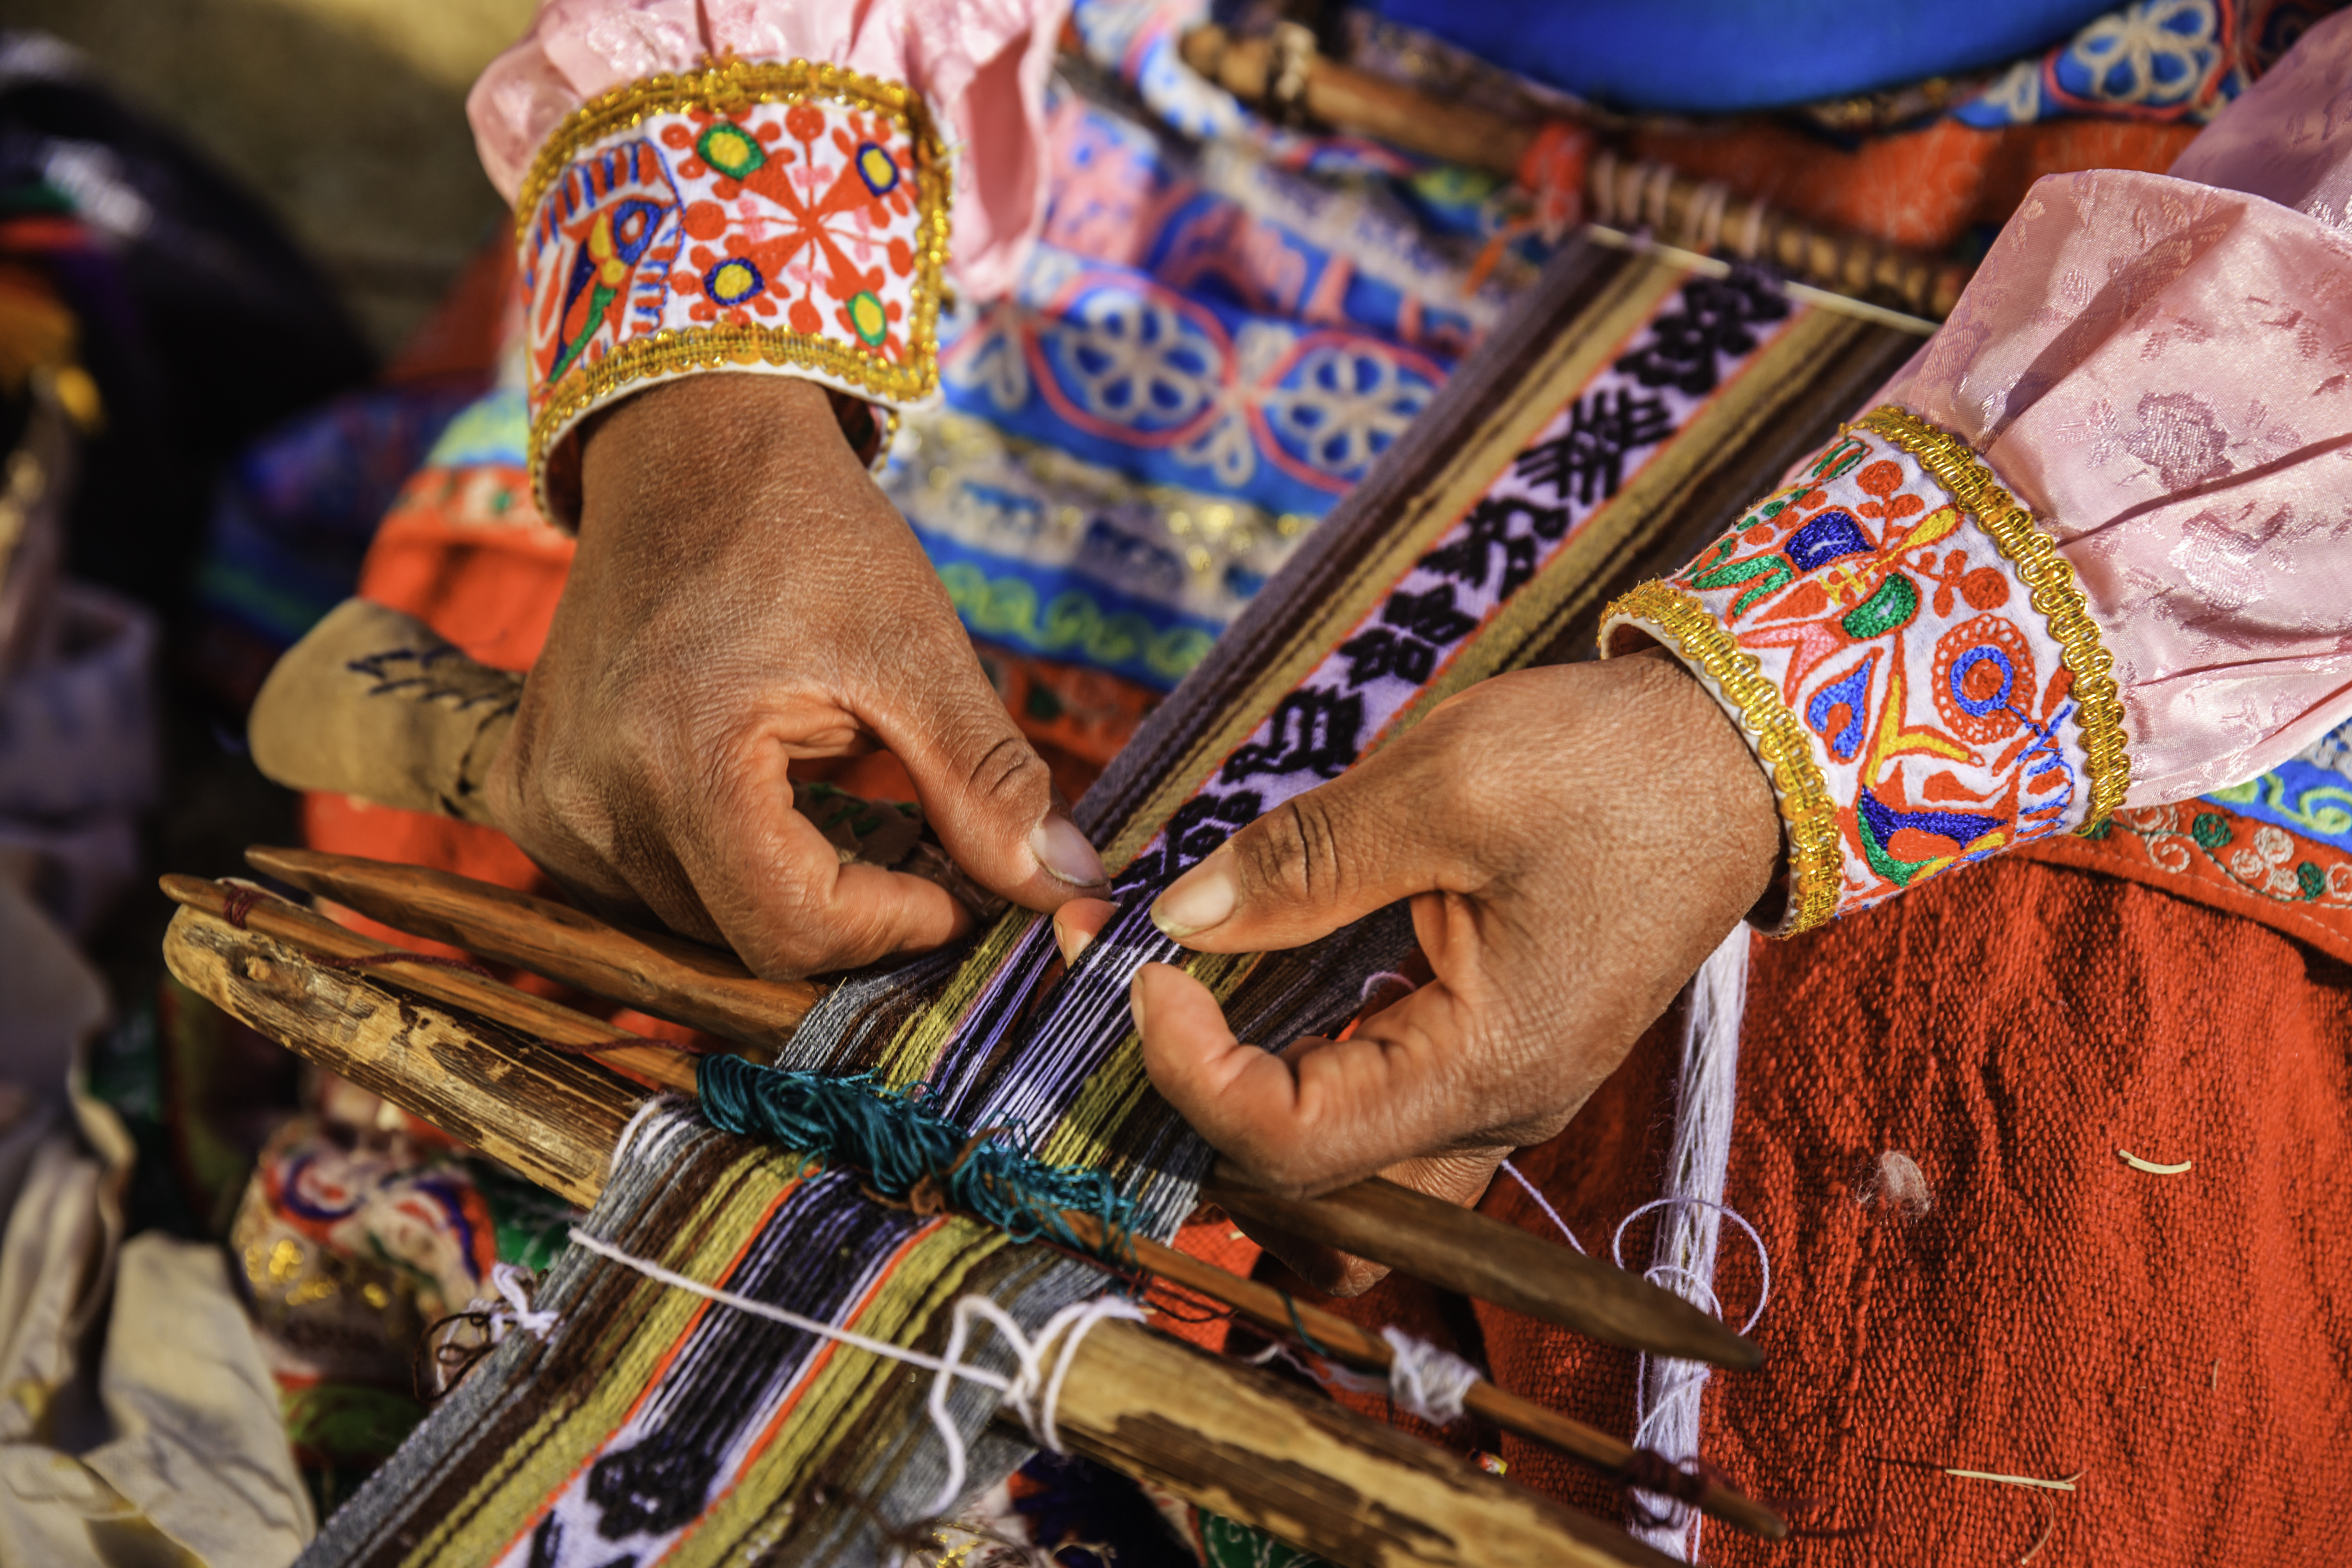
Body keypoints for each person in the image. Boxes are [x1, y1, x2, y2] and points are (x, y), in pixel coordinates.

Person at [293, 0, 2352, 1558]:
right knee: (646, 736)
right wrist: (713, 401)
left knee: (2010, 1300)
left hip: (2166, 290)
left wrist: (1775, 725)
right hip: (1215, 97)